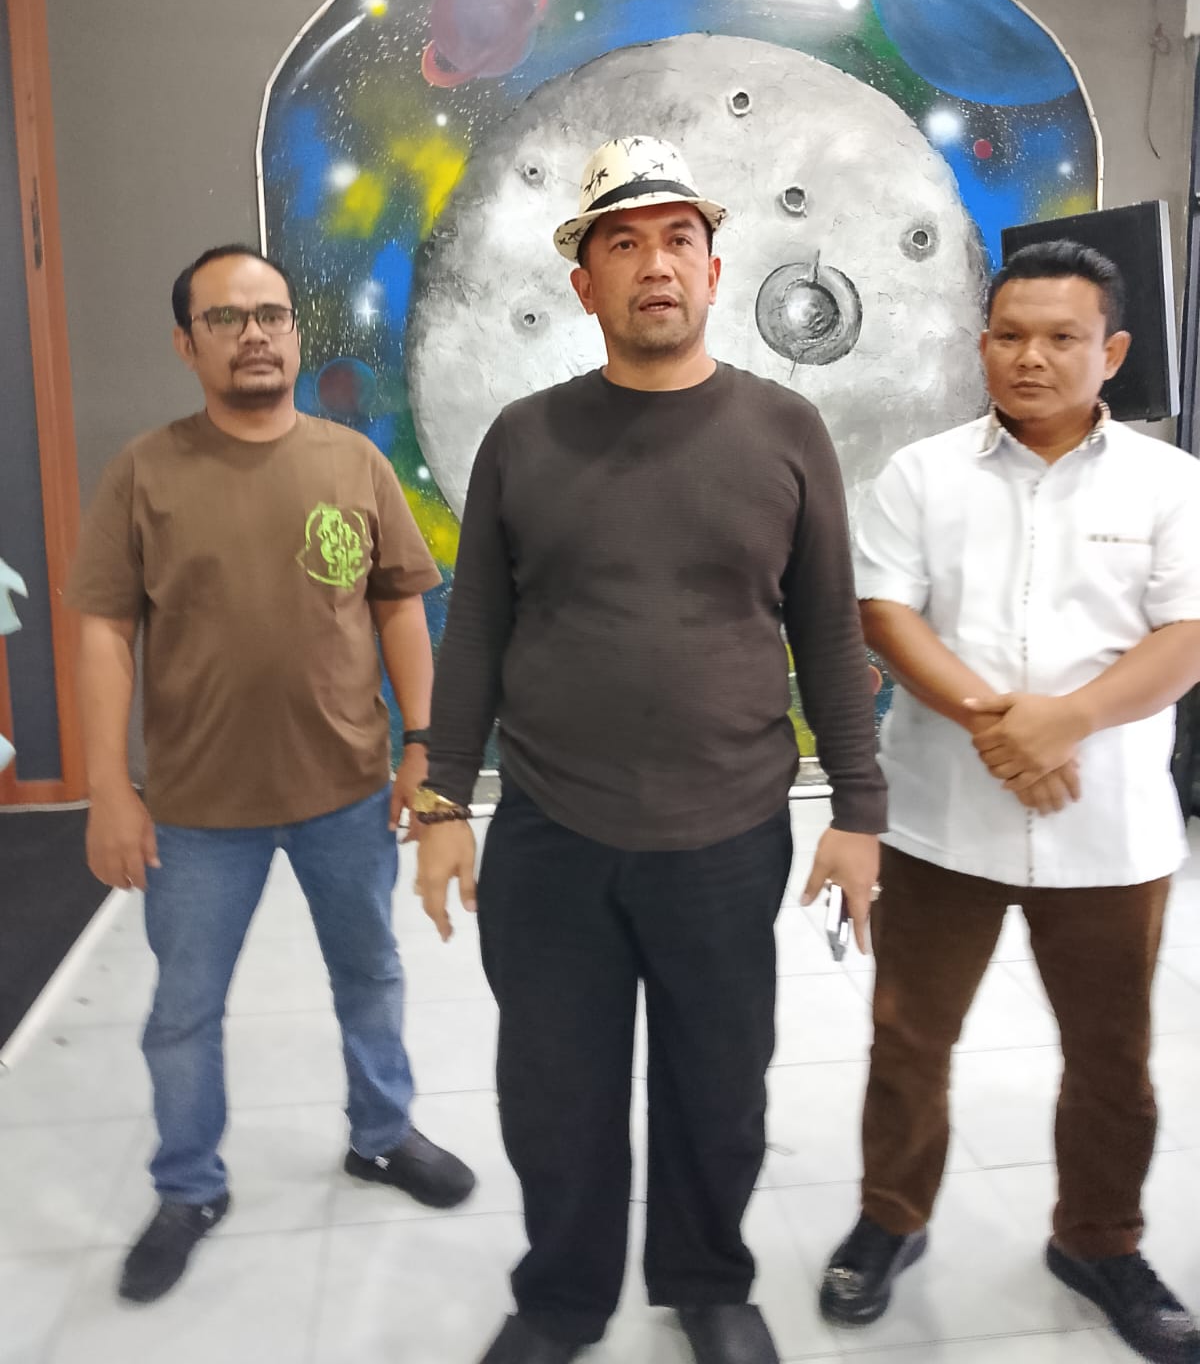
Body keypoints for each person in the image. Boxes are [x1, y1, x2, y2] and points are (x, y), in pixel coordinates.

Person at [410, 137, 887, 1364]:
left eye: (679, 239)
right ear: (585, 285)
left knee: (718, 1089)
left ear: (716, 271)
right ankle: (561, 1297)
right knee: (553, 1094)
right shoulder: (524, 436)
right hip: (551, 834)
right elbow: (477, 632)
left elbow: (829, 630)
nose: (655, 264)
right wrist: (443, 800)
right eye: (623, 244)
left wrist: (860, 810)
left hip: (727, 832)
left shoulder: (786, 429)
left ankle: (707, 1281)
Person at [68, 244, 475, 1304]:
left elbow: (399, 607)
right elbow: (106, 633)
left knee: (370, 976)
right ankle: (188, 1187)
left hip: (348, 790)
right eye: (226, 318)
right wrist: (110, 789)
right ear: (186, 342)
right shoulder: (145, 473)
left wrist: (423, 746)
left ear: (294, 332)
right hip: (197, 810)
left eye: (272, 314)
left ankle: (382, 1134)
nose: (254, 334)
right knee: (182, 1011)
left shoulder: (354, 464)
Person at [819, 240, 1200, 1364]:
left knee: (1112, 1057)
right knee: (908, 1038)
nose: (1031, 357)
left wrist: (1067, 721)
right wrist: (1004, 723)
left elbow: (1186, 636)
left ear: (1111, 352)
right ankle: (891, 1218)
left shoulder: (1171, 484)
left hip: (1108, 826)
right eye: (1011, 335)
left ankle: (1100, 1240)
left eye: (1061, 337)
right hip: (944, 820)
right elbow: (886, 616)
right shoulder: (921, 473)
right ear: (982, 343)